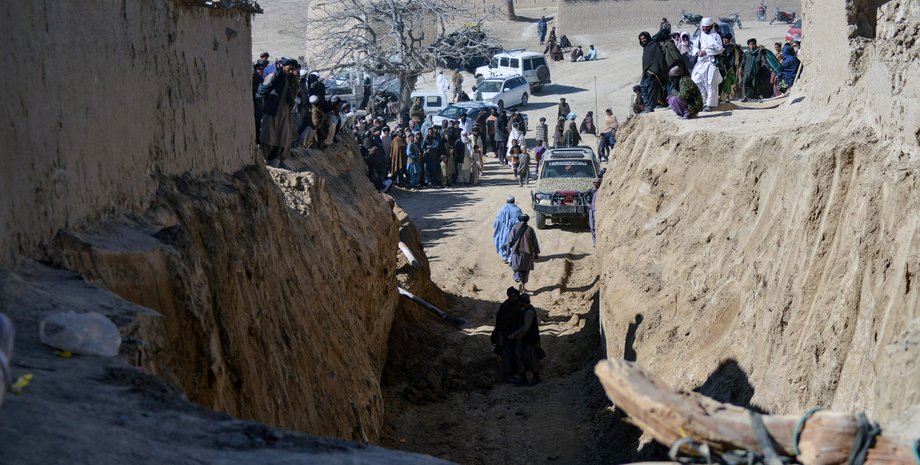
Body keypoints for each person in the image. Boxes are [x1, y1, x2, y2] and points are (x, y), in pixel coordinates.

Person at [258, 57, 301, 167]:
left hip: (284, 113)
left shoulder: (292, 80)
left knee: (282, 139)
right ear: (284, 66)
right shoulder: (273, 76)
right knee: (268, 137)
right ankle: (262, 162)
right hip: (272, 112)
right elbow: (261, 91)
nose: (291, 71)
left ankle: (276, 162)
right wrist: (275, 79)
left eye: (293, 70)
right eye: (290, 69)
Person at [690, 18, 724, 112]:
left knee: (711, 83)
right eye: (704, 27)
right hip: (701, 62)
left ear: (711, 27)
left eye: (707, 27)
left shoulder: (716, 36)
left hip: (711, 62)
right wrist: (698, 51)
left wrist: (706, 51)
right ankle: (704, 101)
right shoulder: (700, 36)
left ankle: (709, 104)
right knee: (696, 79)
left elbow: (720, 49)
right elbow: (694, 47)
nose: (705, 29)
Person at [491, 287, 523, 384]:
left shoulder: (518, 304)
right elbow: (500, 321)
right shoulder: (505, 306)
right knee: (506, 355)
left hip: (514, 333)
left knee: (514, 353)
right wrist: (500, 333)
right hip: (505, 334)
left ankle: (514, 371)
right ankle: (507, 374)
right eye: (512, 296)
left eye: (515, 296)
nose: (513, 298)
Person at [510, 294, 542, 386]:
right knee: (519, 355)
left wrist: (514, 335)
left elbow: (525, 328)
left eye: (520, 301)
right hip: (524, 339)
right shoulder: (526, 310)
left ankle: (536, 377)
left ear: (523, 302)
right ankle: (523, 377)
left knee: (532, 358)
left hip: (530, 339)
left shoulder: (528, 312)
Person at [508, 214, 540, 292]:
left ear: (519, 219)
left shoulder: (514, 228)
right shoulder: (531, 229)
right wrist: (536, 253)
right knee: (526, 271)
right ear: (527, 220)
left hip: (517, 253)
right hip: (528, 254)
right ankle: (523, 287)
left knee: (517, 269)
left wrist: (508, 250)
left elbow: (510, 240)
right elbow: (535, 242)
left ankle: (519, 281)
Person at [638, 31, 666, 114]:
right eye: (641, 39)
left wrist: (653, 70)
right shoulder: (646, 47)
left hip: (653, 72)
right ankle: (647, 106)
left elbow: (658, 58)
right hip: (647, 72)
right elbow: (646, 61)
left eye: (644, 38)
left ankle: (650, 107)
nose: (643, 40)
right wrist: (644, 71)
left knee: (651, 90)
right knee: (643, 87)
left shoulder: (653, 45)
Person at [493, 196, 523, 262]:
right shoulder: (518, 210)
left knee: (502, 242)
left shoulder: (502, 209)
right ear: (514, 201)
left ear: (506, 201)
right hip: (514, 231)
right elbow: (521, 221)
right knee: (513, 244)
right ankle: (512, 258)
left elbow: (497, 220)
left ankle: (505, 257)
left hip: (504, 232)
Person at [719, 33, 740, 103]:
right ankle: (722, 97)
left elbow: (736, 57)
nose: (724, 40)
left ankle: (729, 96)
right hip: (722, 67)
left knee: (729, 83)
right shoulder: (720, 47)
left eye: (726, 39)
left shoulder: (733, 47)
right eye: (723, 39)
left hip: (730, 68)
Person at [589, 177, 601, 245]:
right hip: (592, 210)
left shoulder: (601, 191)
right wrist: (588, 204)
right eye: (595, 183)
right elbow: (583, 196)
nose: (596, 184)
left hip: (597, 211)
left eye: (597, 183)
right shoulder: (591, 191)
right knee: (592, 226)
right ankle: (594, 242)